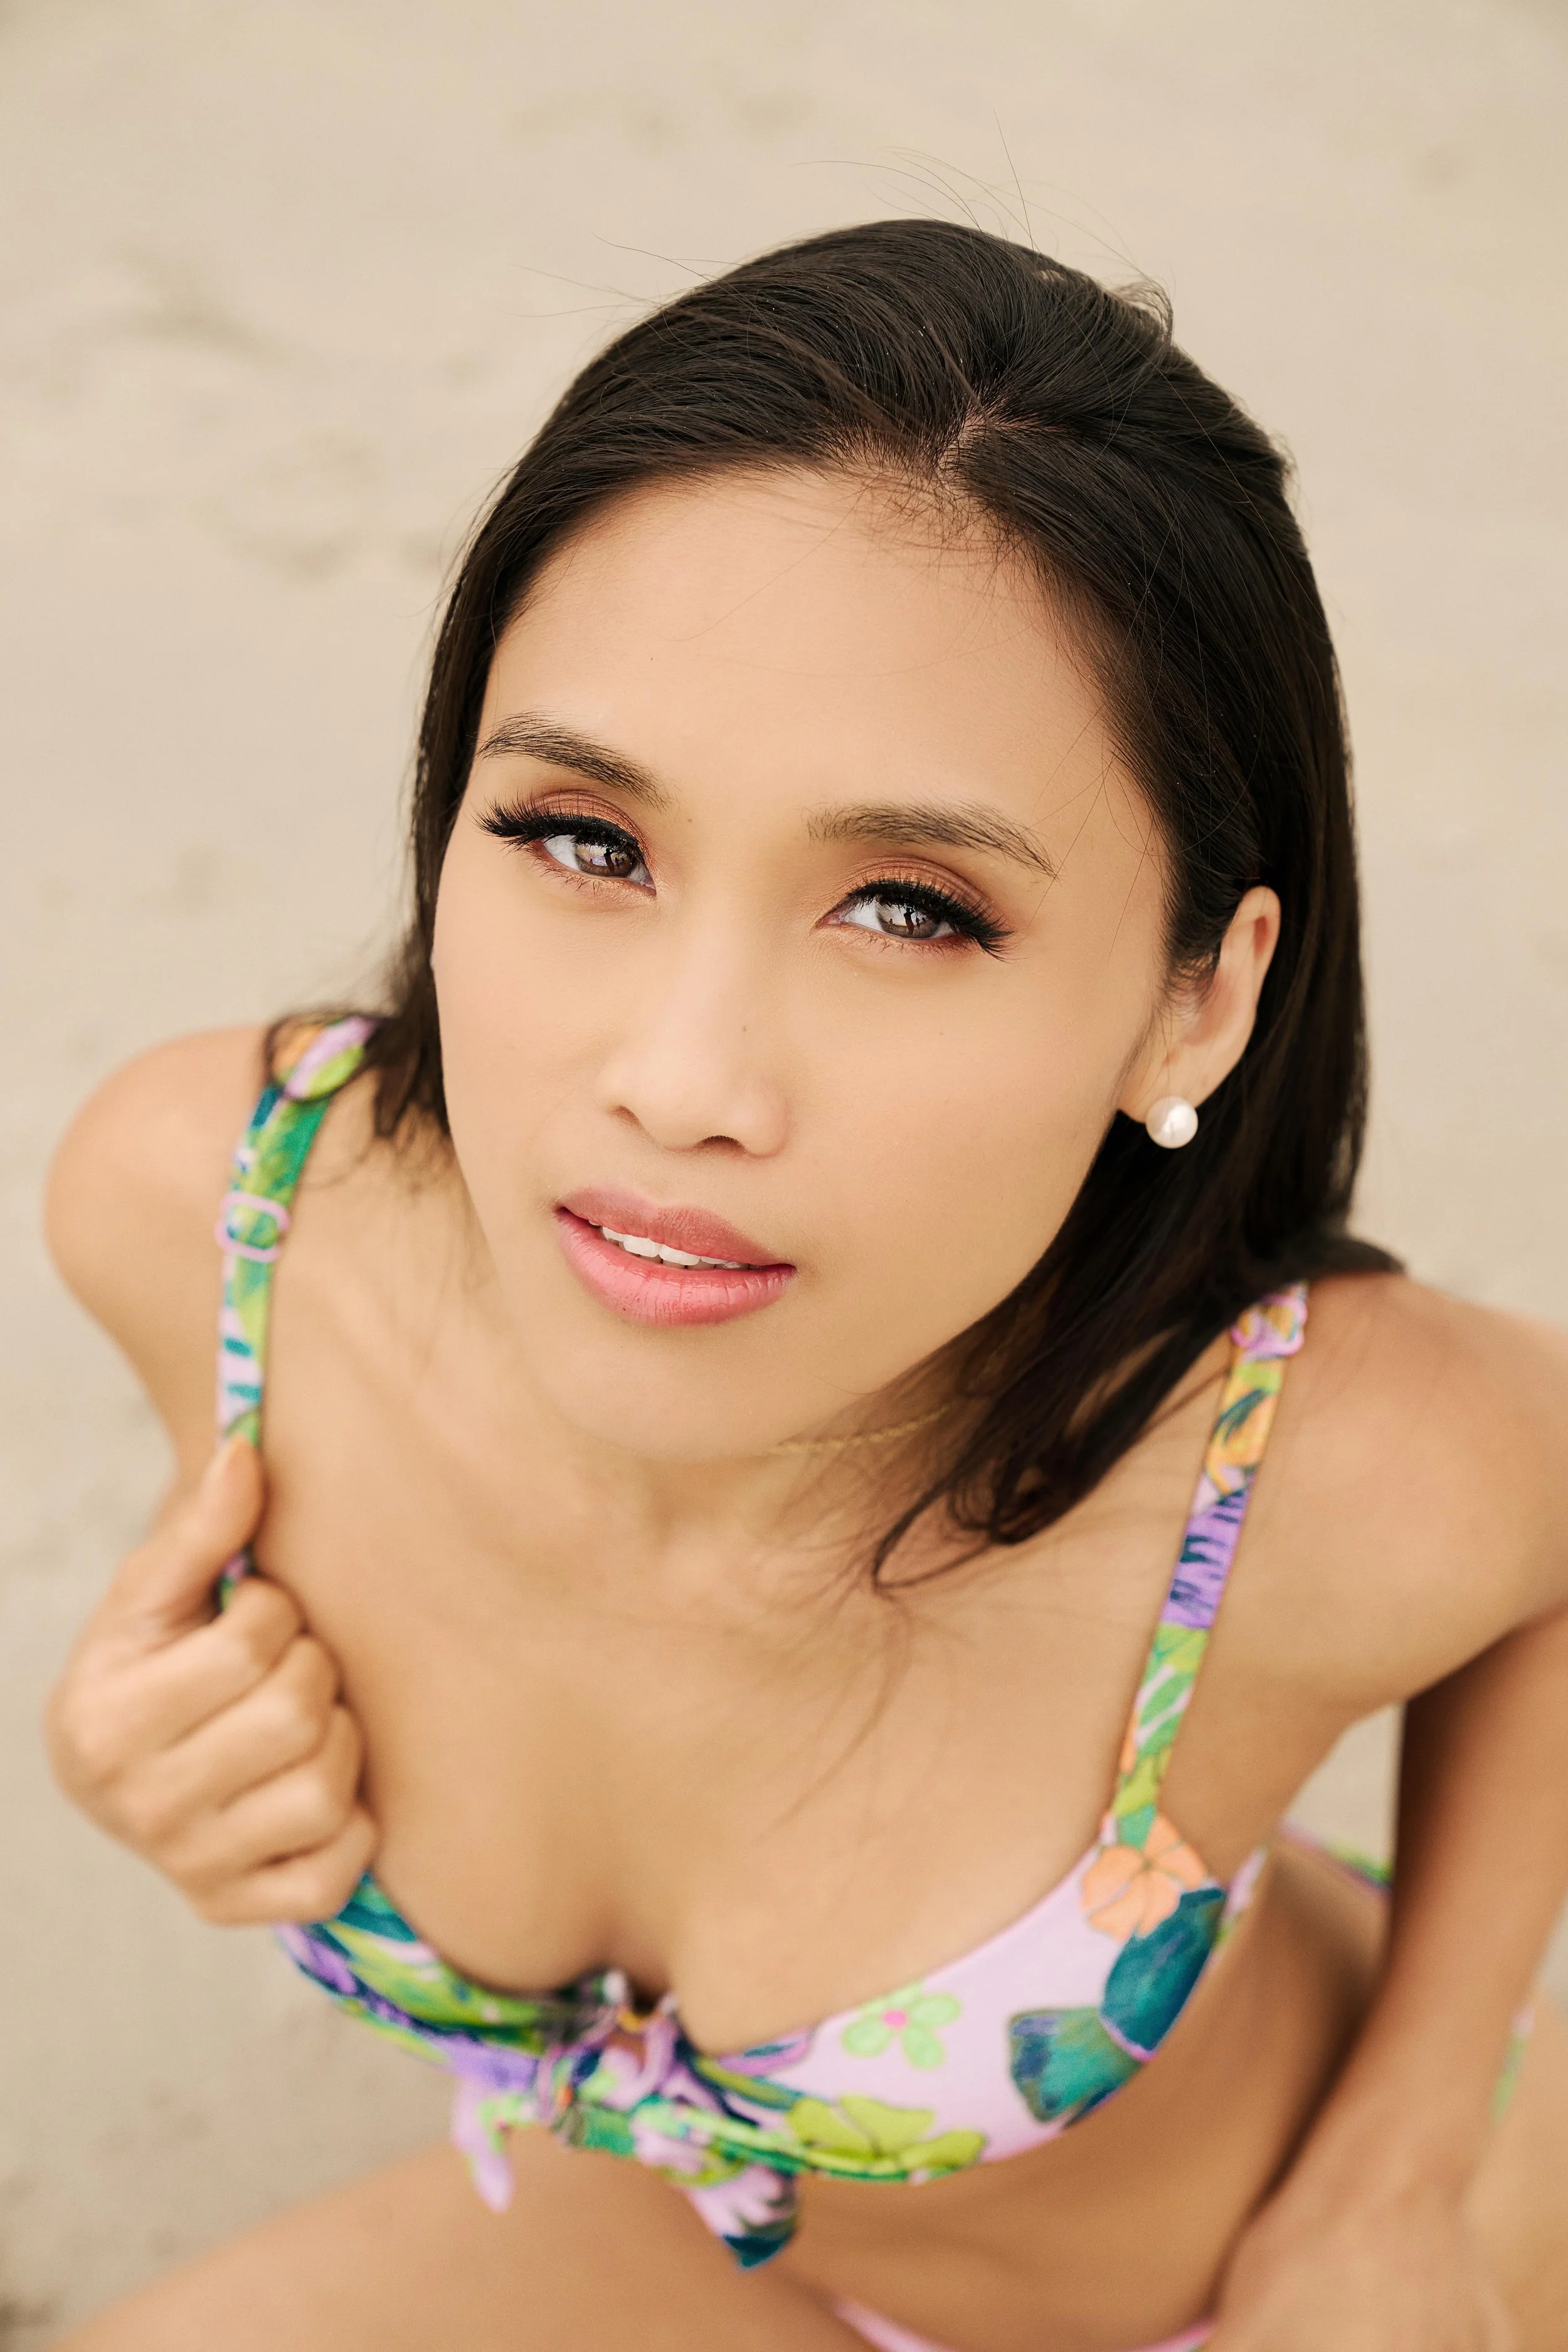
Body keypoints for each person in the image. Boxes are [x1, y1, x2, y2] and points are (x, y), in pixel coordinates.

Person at [40, 220, 1568, 2351]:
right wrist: (157, 1736)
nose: (678, 1083)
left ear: (1196, 1004)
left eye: (910, 909)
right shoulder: (211, 1219)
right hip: (691, 2259)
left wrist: (1393, 2179)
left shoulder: (1311, 1465)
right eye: (581, 835)